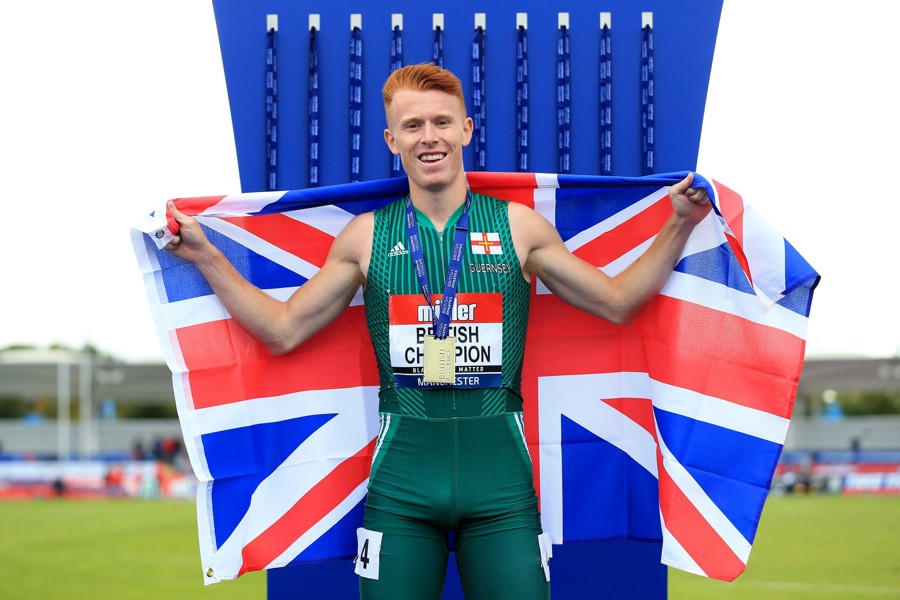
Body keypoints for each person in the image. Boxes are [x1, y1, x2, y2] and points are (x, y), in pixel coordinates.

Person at [165, 63, 709, 600]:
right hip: (401, 489)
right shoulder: (364, 237)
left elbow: (617, 303)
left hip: (501, 489)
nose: (429, 137)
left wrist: (680, 222)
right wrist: (207, 256)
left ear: (466, 130)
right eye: (412, 126)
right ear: (391, 140)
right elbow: (281, 330)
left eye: (442, 123)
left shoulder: (519, 228)